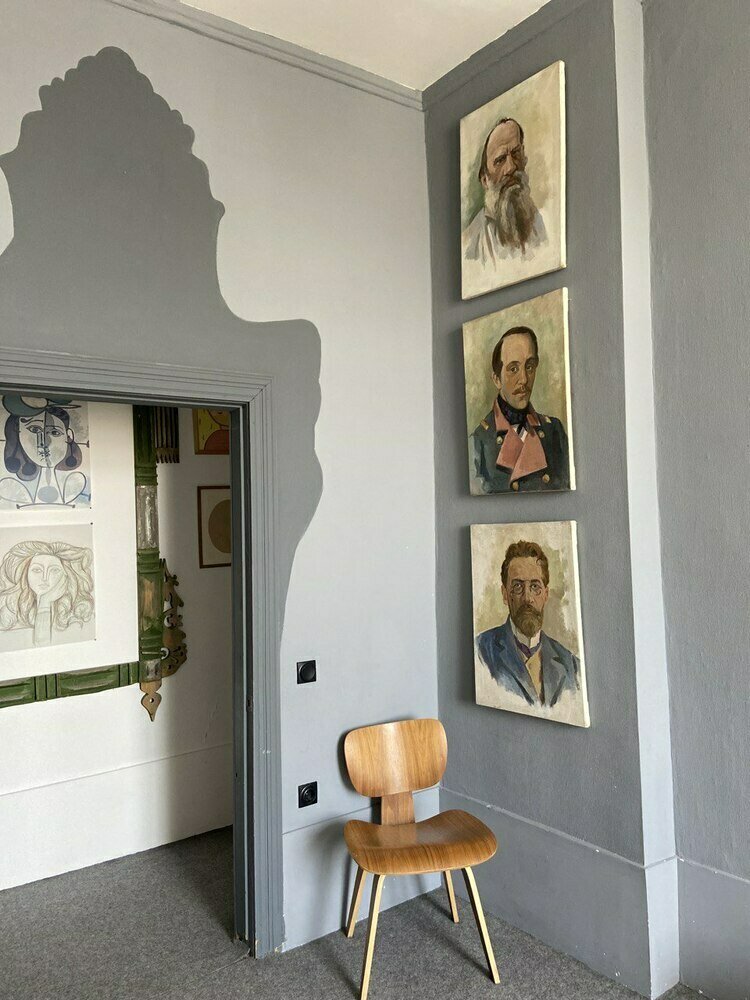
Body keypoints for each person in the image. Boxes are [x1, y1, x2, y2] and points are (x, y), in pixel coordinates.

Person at [476, 540, 579, 708]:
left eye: (535, 586)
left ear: (545, 594)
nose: (527, 598)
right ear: (505, 594)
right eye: (517, 586)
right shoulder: (481, 651)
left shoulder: (571, 665)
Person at [471, 325, 570, 493]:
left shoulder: (554, 431)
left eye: (529, 366)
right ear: (497, 379)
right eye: (513, 369)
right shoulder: (480, 441)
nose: (524, 379)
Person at [462, 118, 546, 268]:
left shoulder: (541, 222)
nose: (511, 167)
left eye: (516, 153)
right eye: (500, 160)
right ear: (485, 180)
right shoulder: (470, 243)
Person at [0, 539, 94, 647]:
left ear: (66, 575)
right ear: (25, 574)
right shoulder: (10, 612)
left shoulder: (78, 615)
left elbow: (43, 644)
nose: (45, 578)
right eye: (37, 570)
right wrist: (44, 602)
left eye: (54, 570)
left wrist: (45, 602)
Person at [0, 395, 88, 507]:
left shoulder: (78, 483)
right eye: (35, 429)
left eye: (55, 432)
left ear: (67, 437)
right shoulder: (9, 487)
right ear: (17, 434)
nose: (46, 442)